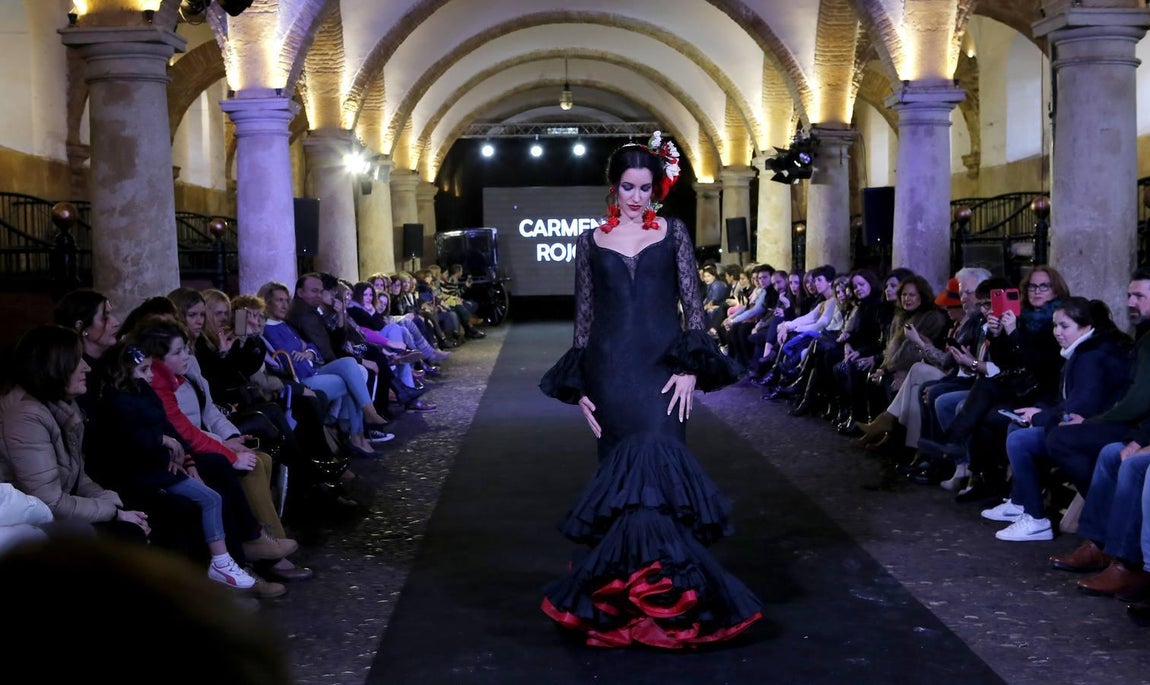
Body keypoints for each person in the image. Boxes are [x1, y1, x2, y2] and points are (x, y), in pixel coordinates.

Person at [538, 133, 762, 648]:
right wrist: (580, 390)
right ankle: (627, 604)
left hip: (664, 373)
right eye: (627, 187)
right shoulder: (590, 241)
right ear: (613, 189)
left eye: (645, 186)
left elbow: (694, 306)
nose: (637, 197)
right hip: (611, 375)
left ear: (656, 187)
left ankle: (667, 602)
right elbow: (585, 322)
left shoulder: (675, 233)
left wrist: (691, 368)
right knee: (622, 488)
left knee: (661, 478)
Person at [0, 325, 150, 542]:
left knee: (141, 512)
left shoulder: (59, 405)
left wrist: (109, 501)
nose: (87, 367)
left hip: (58, 511)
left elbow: (76, 477)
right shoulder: (26, 416)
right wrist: (114, 512)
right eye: (77, 360)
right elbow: (50, 503)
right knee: (128, 534)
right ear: (55, 366)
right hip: (32, 521)